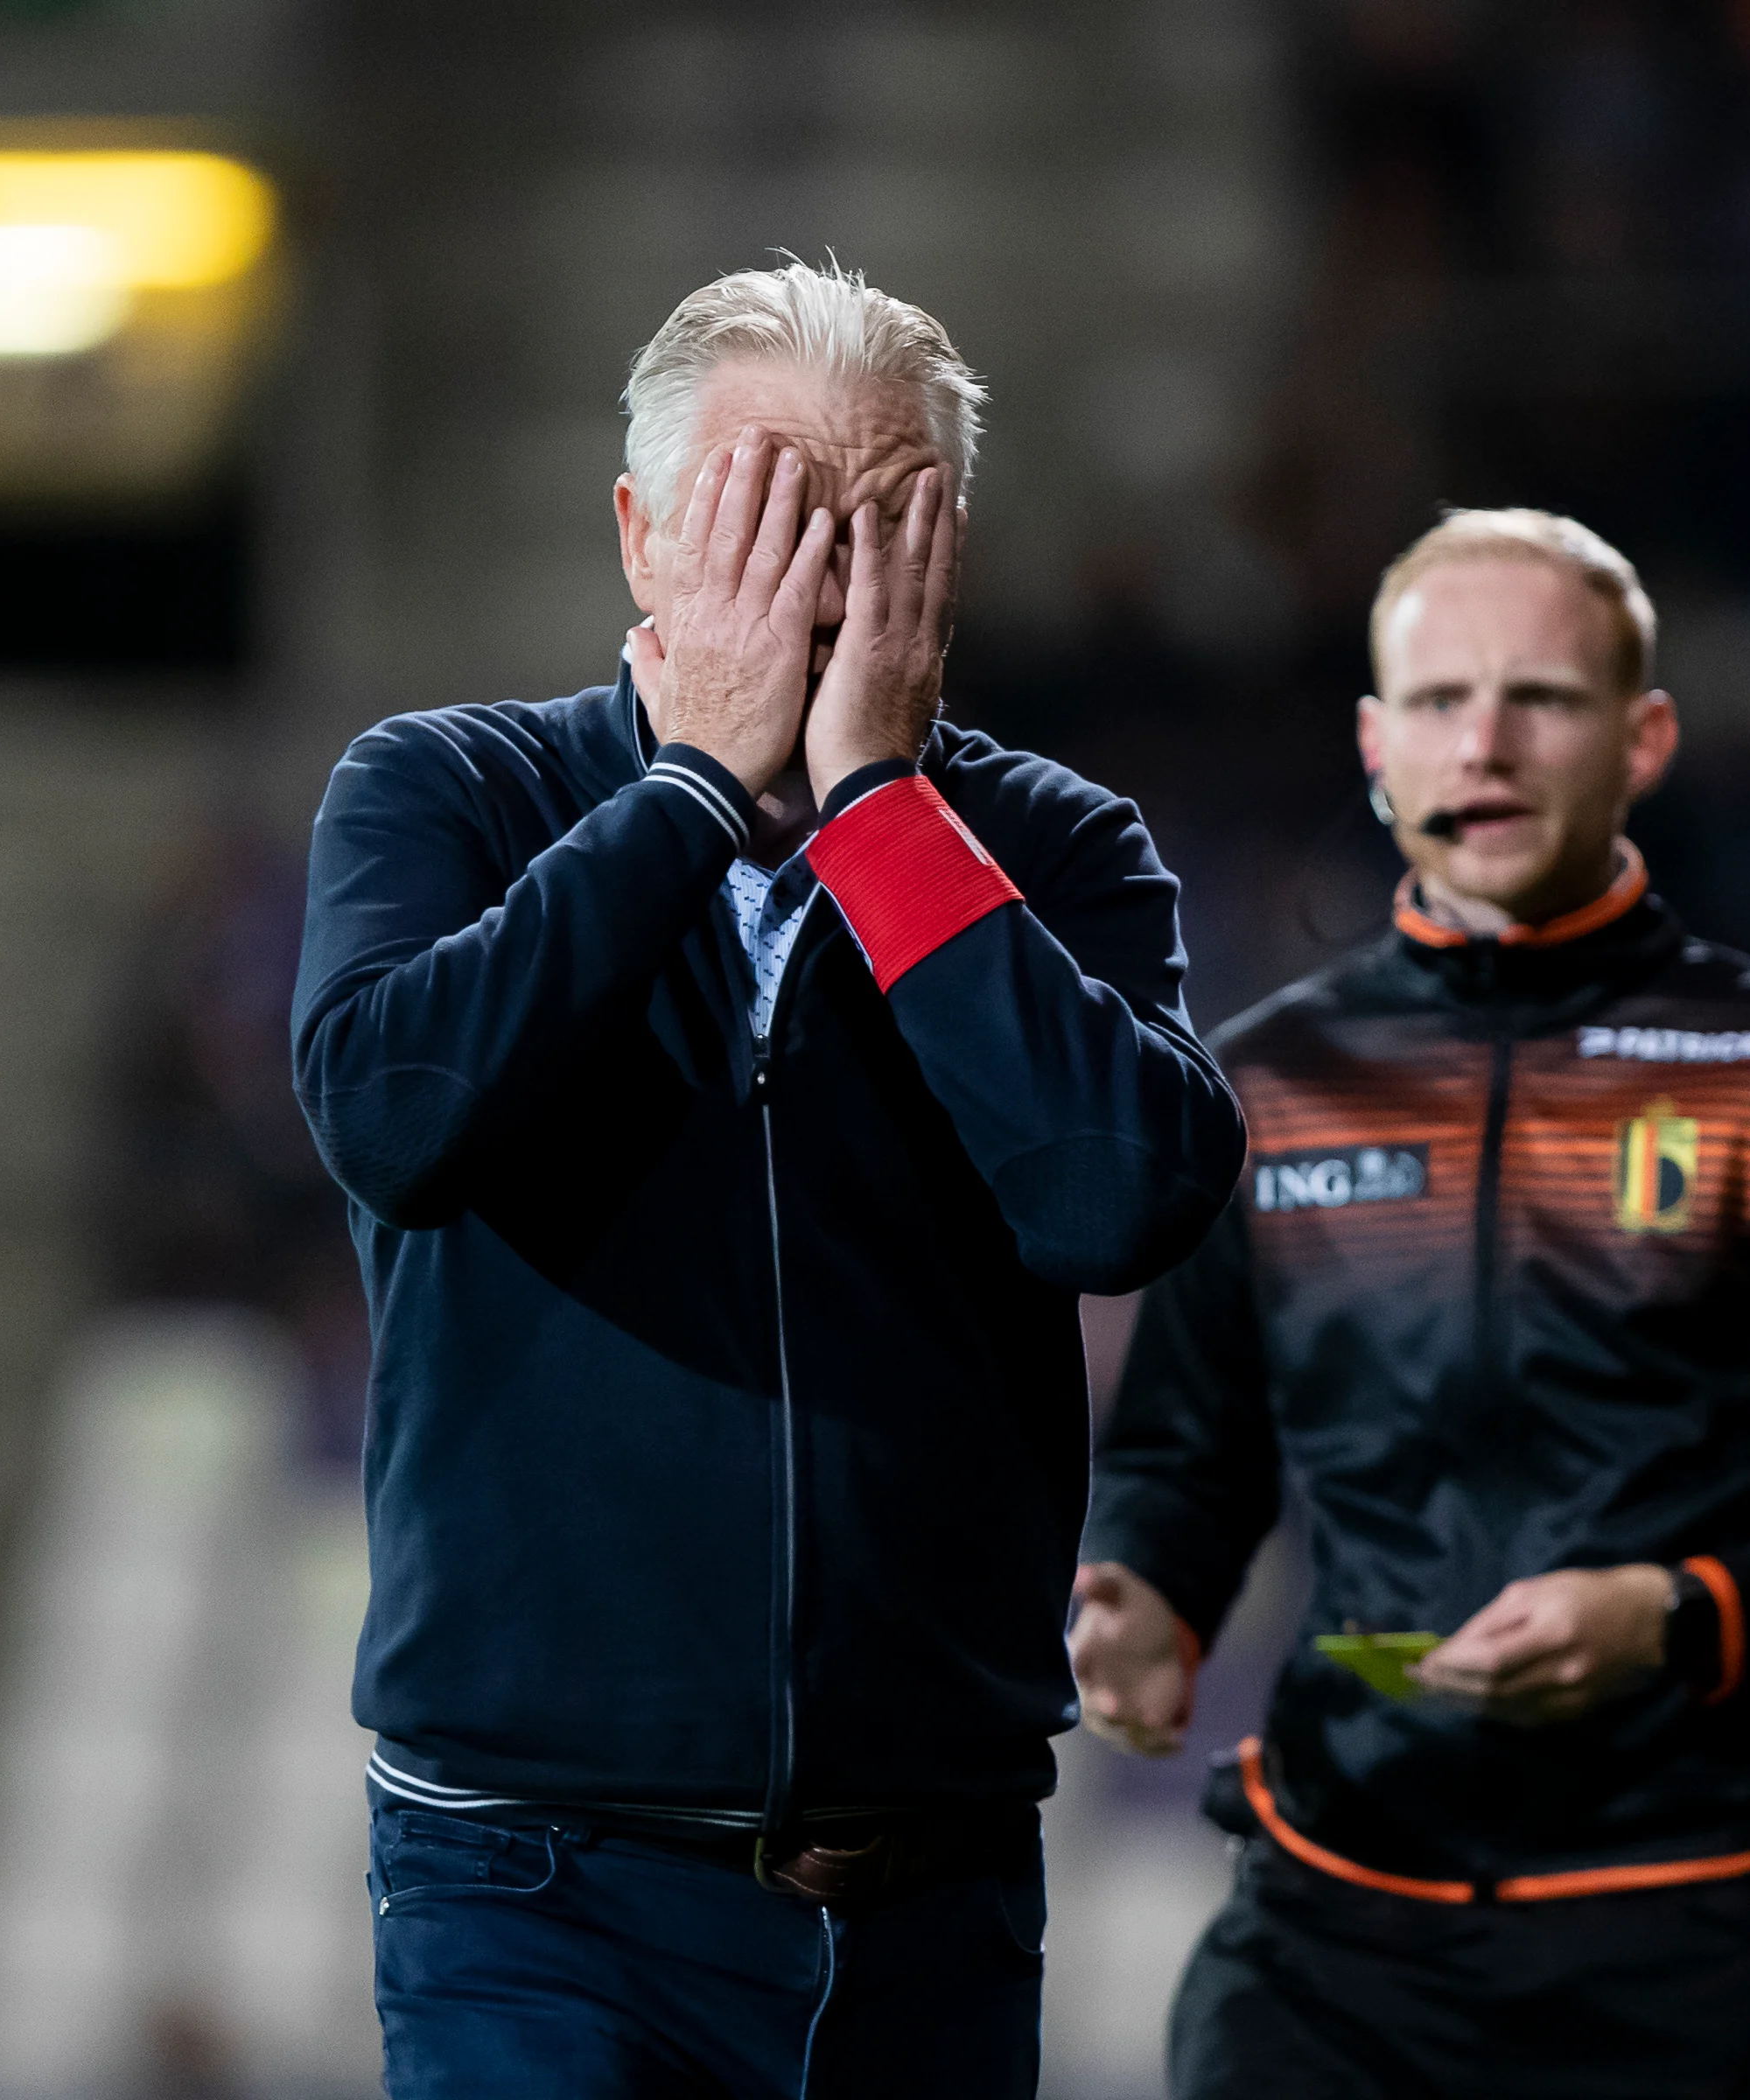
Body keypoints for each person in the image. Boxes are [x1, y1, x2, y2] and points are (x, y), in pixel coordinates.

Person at [290, 261, 1245, 2098]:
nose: (822, 580)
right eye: (767, 515)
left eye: (880, 522)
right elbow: (397, 1119)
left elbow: (1117, 1195)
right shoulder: (445, 795)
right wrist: (694, 791)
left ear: (949, 557)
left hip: (937, 1899)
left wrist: (882, 813)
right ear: (645, 537)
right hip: (539, 1882)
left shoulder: (1056, 847)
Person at [1068, 508, 1750, 2098]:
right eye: (1439, 703)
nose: (1483, 743)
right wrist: (1143, 1590)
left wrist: (1675, 1613)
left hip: (1689, 1934)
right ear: (1376, 742)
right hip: (1331, 1930)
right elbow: (1187, 1449)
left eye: (1543, 700)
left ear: (1643, 739)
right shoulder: (1272, 1082)